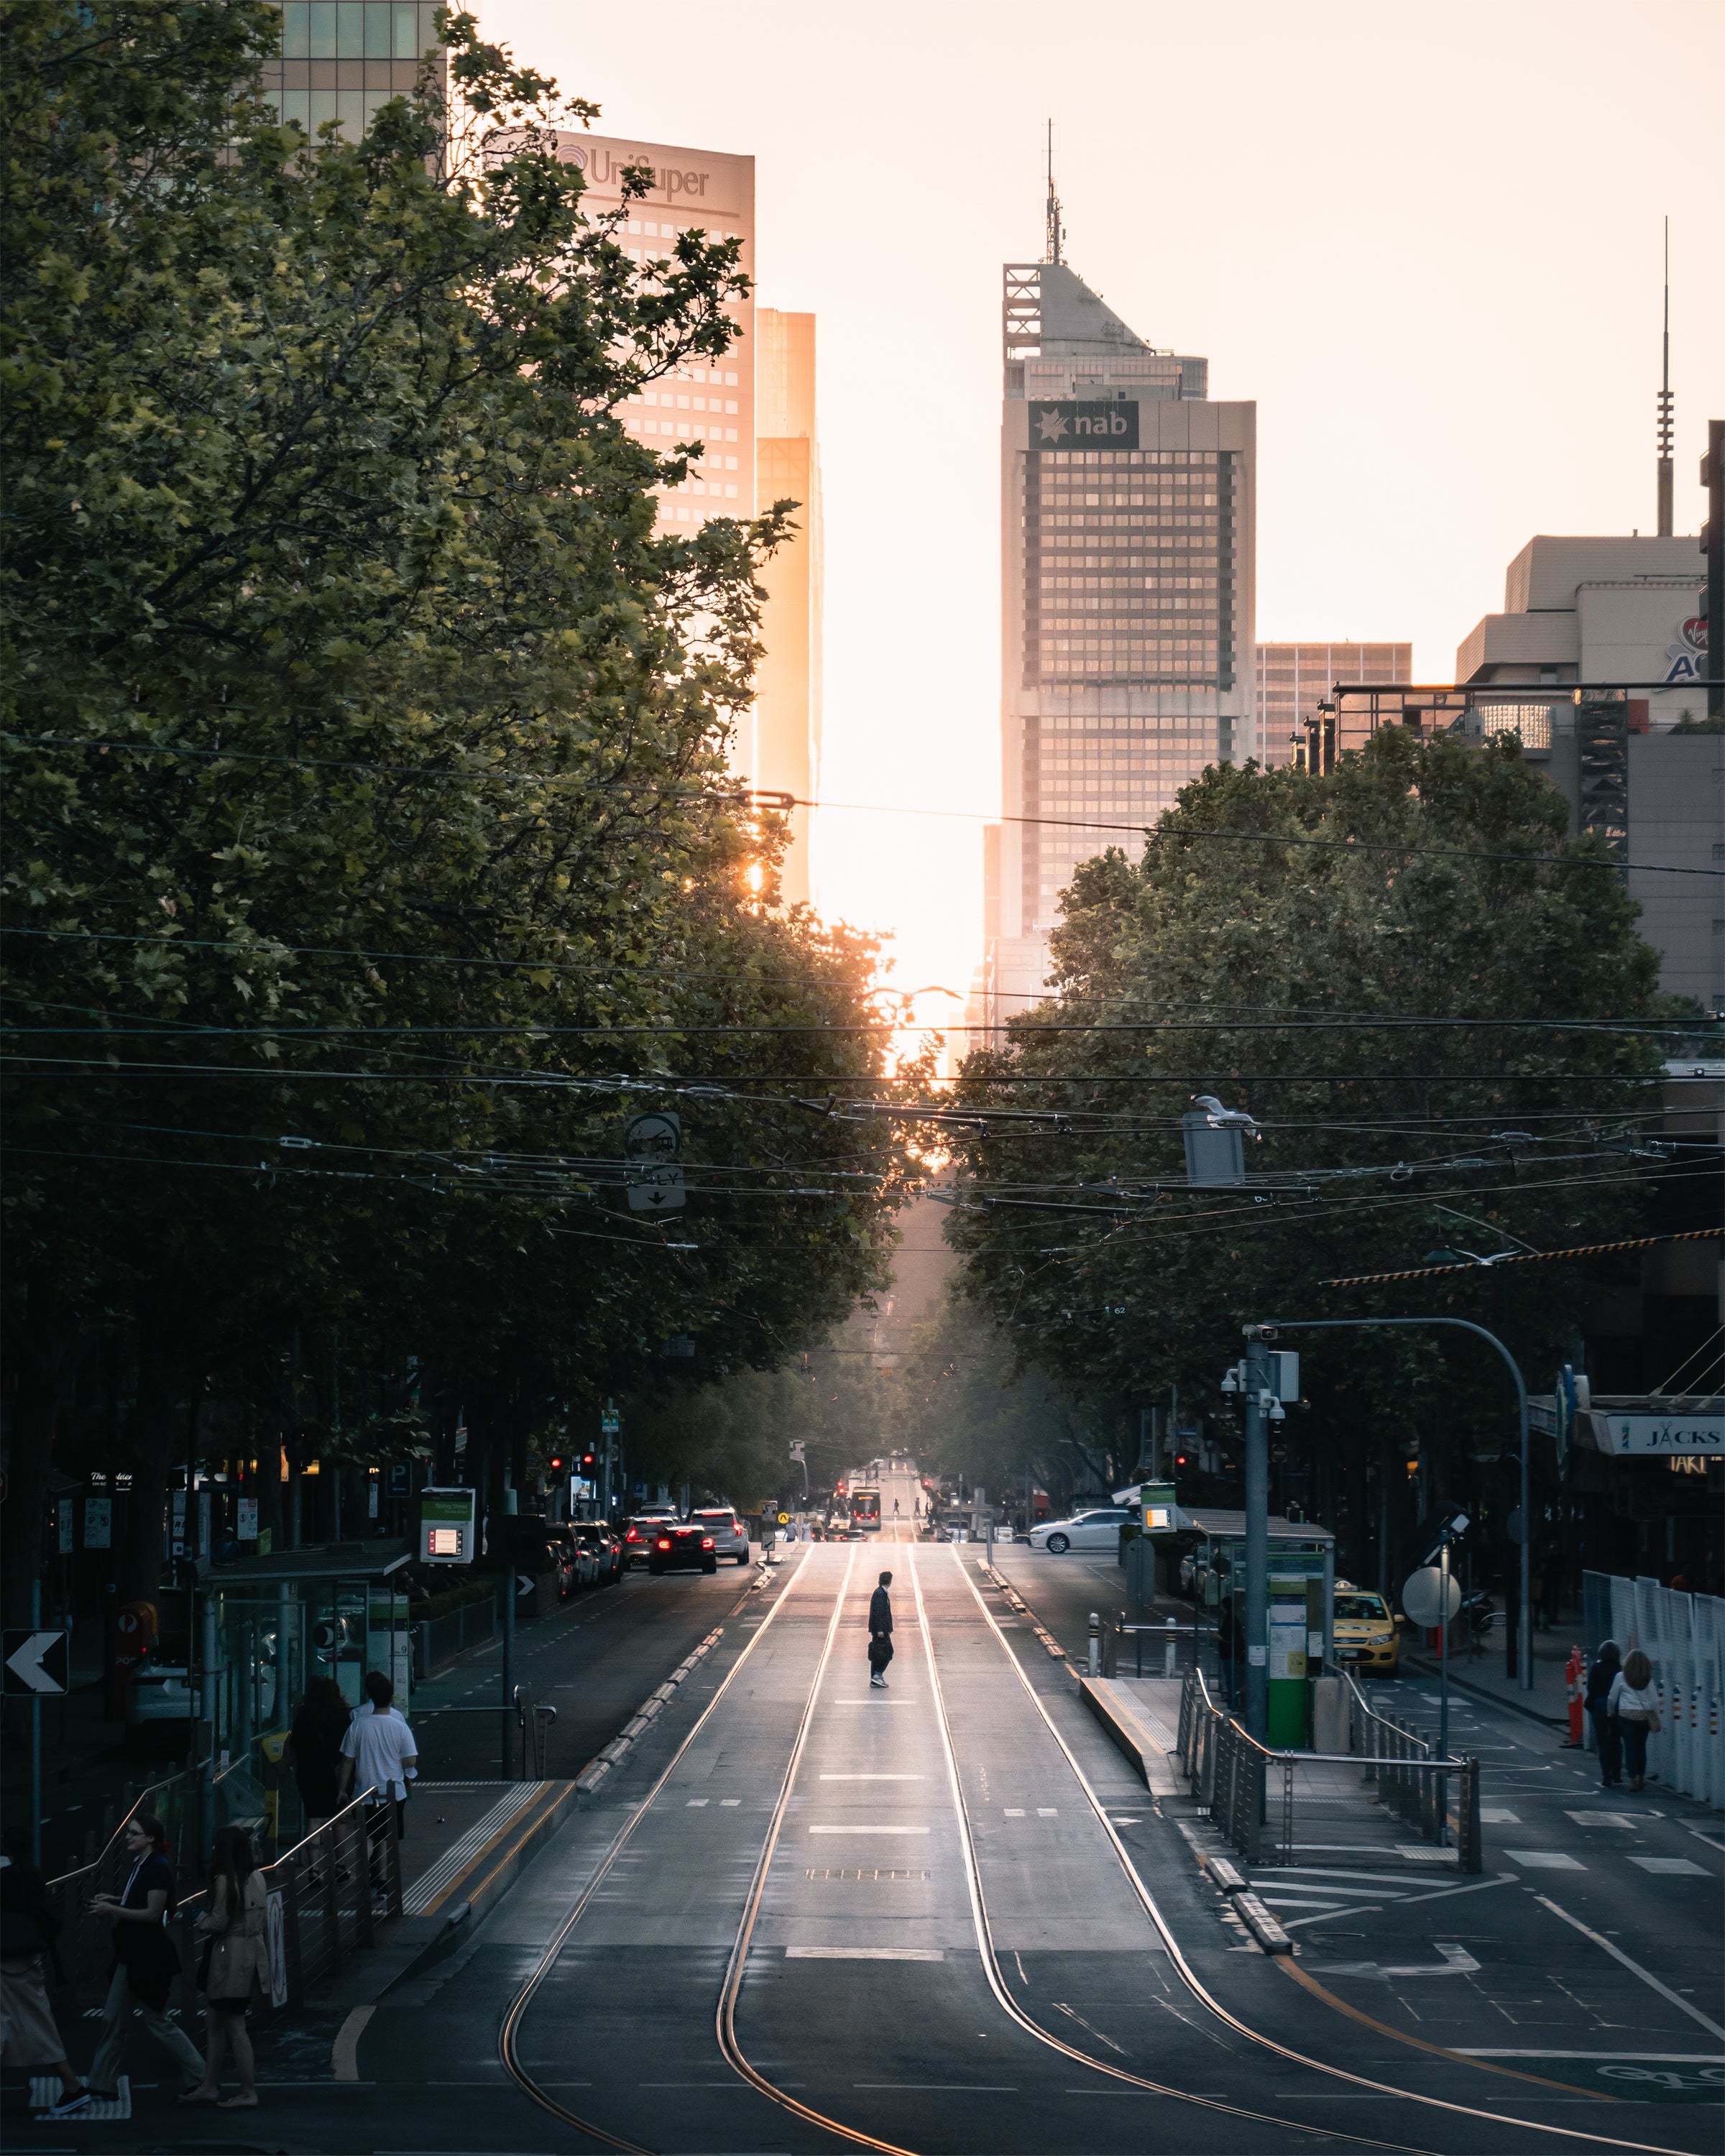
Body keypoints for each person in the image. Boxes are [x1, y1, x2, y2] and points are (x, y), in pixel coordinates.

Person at [84, 1812, 205, 2099]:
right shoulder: (144, 1864)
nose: (128, 1837)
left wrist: (113, 1909)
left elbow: (153, 1914)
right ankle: (101, 2084)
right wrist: (115, 1900)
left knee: (157, 2020)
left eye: (134, 1833)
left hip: (146, 1956)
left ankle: (201, 2076)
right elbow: (144, 1903)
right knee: (113, 2018)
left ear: (150, 1838)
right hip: (133, 1953)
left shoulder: (157, 1867)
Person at [1, 1831, 91, 2117]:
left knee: (31, 2023)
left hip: (7, 1960)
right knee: (33, 2020)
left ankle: (73, 2085)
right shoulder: (32, 1876)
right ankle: (72, 2085)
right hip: (27, 1955)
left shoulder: (6, 1878)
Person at [183, 1825, 266, 2109]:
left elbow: (219, 1922)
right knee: (216, 2022)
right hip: (251, 1952)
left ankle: (247, 2091)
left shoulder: (224, 1880)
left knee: (233, 2024)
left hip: (228, 1956)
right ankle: (209, 2085)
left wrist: (201, 1920)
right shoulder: (257, 1877)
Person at [339, 1670, 418, 1850]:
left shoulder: (358, 1724)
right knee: (386, 1838)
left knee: (367, 1836)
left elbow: (348, 1761)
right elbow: (411, 1760)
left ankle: (365, 1873)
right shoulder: (399, 1724)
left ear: (371, 1697)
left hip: (364, 1791)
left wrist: (342, 1789)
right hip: (394, 1791)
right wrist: (397, 1764)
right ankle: (382, 1876)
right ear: (391, 1699)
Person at [285, 1677, 351, 1836]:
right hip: (335, 1773)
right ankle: (340, 1861)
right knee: (339, 1817)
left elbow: (295, 1744)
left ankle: (314, 1861)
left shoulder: (304, 1715)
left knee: (314, 1818)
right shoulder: (342, 1715)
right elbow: (348, 1746)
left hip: (308, 1772)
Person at [1609, 1649, 1660, 1794]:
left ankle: (1633, 1780)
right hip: (1643, 1717)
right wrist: (1650, 1710)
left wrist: (1611, 1712)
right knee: (1641, 1747)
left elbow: (1612, 1698)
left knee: (1630, 1747)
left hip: (1625, 1716)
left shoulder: (1620, 1676)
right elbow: (1655, 1700)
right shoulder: (1648, 1679)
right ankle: (1641, 1776)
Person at [1585, 1640, 1623, 1787]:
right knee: (1616, 1739)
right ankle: (1617, 1773)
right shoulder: (1619, 1670)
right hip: (1616, 1707)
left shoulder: (1596, 1668)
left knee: (1603, 1741)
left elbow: (1591, 1687)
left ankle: (1606, 1774)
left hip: (1600, 1706)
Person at [868, 1571, 894, 1689]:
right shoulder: (880, 1594)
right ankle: (877, 1675)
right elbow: (878, 1613)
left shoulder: (881, 1592)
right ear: (889, 1581)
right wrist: (880, 1629)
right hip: (880, 1630)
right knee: (887, 1652)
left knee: (878, 1653)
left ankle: (875, 1678)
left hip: (882, 1629)